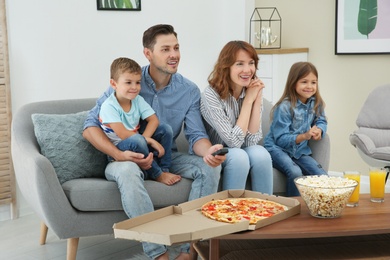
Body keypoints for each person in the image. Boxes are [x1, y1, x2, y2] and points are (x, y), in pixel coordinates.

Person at [83, 24, 225, 260]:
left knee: (209, 168)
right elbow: (89, 128)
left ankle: (186, 251)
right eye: (166, 49)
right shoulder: (128, 80)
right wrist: (118, 155)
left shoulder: (189, 90)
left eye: (177, 48)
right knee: (128, 171)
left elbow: (196, 136)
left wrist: (209, 151)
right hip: (125, 156)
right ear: (148, 54)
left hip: (165, 156)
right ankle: (157, 253)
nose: (174, 55)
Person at [200, 40, 273, 194]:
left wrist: (257, 98)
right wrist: (248, 101)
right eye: (239, 64)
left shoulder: (252, 89)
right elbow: (233, 142)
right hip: (218, 151)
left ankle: (266, 209)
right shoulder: (211, 94)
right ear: (226, 67)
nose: (247, 70)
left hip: (240, 148)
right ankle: (232, 212)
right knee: (239, 156)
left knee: (261, 154)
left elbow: (252, 141)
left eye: (251, 63)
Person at [99, 57, 180, 185]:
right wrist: (148, 140)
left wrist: (145, 138)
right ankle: (157, 174)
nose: (134, 87)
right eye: (128, 82)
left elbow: (154, 120)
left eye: (137, 82)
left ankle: (164, 169)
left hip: (138, 141)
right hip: (119, 148)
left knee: (166, 129)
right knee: (137, 139)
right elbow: (123, 134)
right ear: (114, 84)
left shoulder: (137, 100)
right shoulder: (109, 106)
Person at [264, 62, 328, 197]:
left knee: (322, 176)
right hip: (277, 149)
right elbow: (281, 140)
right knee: (295, 172)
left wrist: (320, 130)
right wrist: (305, 136)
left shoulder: (316, 103)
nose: (309, 86)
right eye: (304, 82)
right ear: (294, 83)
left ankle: (322, 205)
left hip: (299, 151)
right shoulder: (284, 107)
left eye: (313, 82)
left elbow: (321, 120)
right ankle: (294, 206)